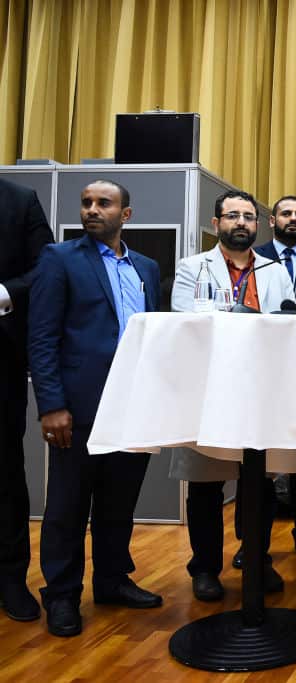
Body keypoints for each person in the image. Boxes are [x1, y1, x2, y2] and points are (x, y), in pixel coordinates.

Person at [28, 180, 162, 637]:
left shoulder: (146, 266)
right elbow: (42, 337)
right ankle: (62, 595)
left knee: (119, 501)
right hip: (79, 407)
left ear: (125, 214)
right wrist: (51, 406)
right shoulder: (59, 259)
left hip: (134, 404)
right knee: (68, 505)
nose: (91, 210)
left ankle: (110, 580)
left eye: (103, 203)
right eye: (86, 203)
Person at [169, 189, 295, 602]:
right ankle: (204, 568)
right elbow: (185, 322)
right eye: (232, 216)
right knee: (205, 485)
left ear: (258, 226)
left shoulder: (276, 271)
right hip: (210, 387)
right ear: (215, 223)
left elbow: (287, 326)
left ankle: (256, 558)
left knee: (259, 481)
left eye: (248, 217)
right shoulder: (192, 268)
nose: (241, 222)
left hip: (263, 388)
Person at [245, 195, 296, 560]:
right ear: (271, 220)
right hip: (259, 374)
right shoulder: (251, 259)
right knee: (256, 465)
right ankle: (252, 545)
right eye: (286, 213)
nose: (293, 219)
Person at [0, 178, 52, 622]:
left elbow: (45, 266)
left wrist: (4, 293)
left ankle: (11, 578)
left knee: (4, 470)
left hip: (1, 357)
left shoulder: (20, 200)